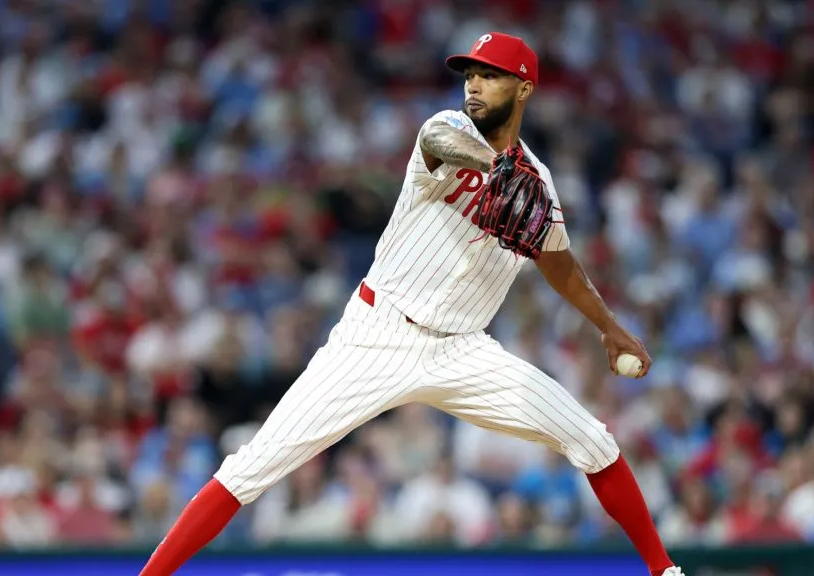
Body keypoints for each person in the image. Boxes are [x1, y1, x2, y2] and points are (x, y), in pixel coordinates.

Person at [139, 32, 682, 576]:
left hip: (464, 352)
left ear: (523, 87)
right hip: (376, 335)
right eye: (469, 73)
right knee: (250, 469)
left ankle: (664, 570)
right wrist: (494, 169)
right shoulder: (446, 131)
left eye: (489, 75)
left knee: (591, 439)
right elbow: (443, 143)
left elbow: (559, 265)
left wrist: (609, 327)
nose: (473, 84)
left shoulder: (538, 186)